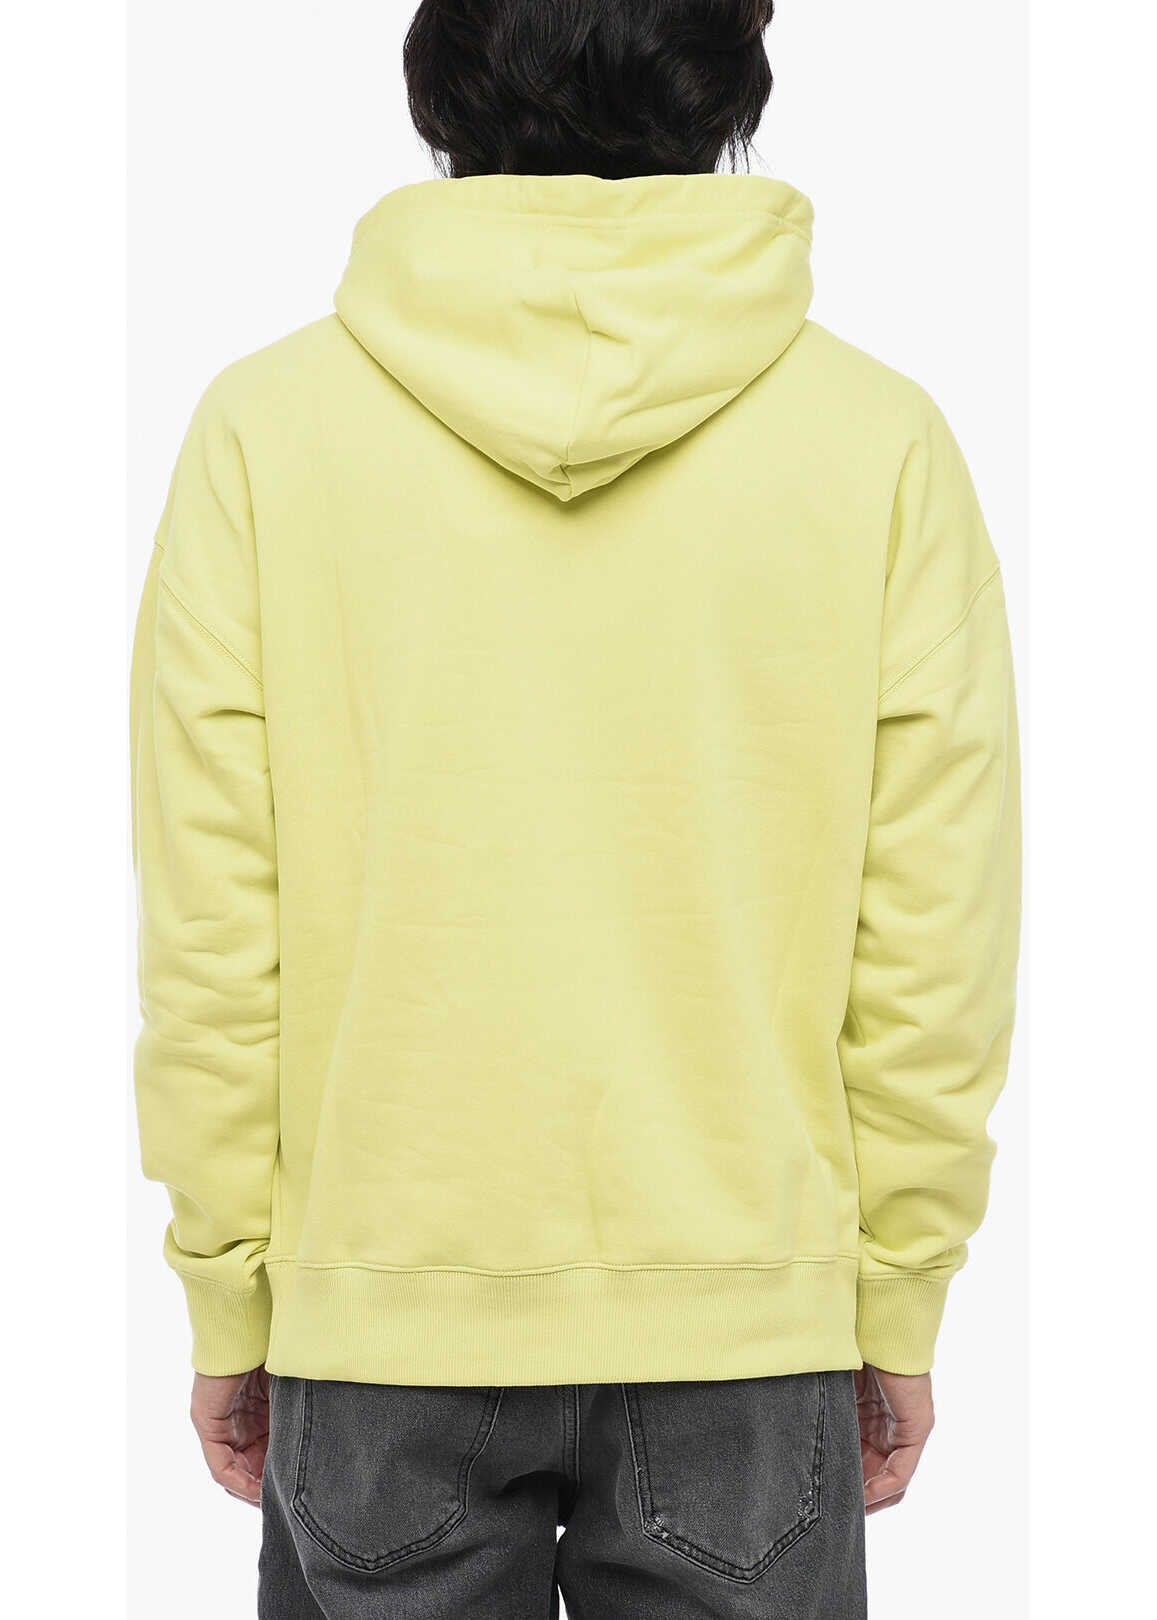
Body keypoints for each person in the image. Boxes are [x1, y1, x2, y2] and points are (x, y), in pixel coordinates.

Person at [129, 2, 1020, 1615]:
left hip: (381, 1308)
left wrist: (229, 1288)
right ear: (728, 81)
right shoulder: (874, 438)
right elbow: (931, 929)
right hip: (748, 1316)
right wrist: (897, 1290)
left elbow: (212, 921)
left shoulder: (268, 427)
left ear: (441, 84)